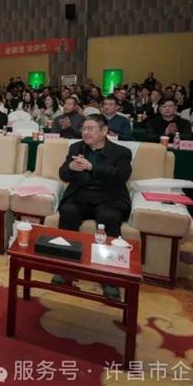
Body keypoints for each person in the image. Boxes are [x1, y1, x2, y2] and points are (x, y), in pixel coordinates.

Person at [57, 114, 132, 301]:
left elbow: (120, 176)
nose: (86, 132)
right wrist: (71, 168)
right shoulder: (76, 147)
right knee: (68, 211)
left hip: (109, 197)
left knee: (109, 217)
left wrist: (92, 167)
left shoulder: (121, 152)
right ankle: (66, 268)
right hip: (81, 194)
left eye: (90, 128)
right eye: (83, 129)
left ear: (104, 130)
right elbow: (63, 174)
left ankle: (109, 277)